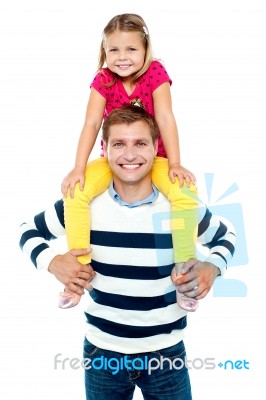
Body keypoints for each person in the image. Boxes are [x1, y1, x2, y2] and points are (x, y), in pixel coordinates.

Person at [19, 105, 236, 400]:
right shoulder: (81, 205)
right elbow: (26, 230)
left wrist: (212, 267)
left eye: (140, 143)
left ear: (156, 148)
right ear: (104, 149)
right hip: (101, 355)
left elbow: (227, 237)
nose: (130, 155)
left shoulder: (181, 206)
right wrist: (53, 262)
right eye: (119, 144)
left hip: (167, 357)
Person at [60, 13, 199, 311]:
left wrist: (174, 163)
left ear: (146, 50)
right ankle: (78, 273)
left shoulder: (156, 74)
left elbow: (165, 117)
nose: (122, 58)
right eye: (114, 50)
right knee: (75, 192)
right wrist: (78, 168)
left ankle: (184, 274)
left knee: (184, 192)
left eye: (131, 49)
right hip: (113, 162)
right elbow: (91, 122)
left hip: (153, 160)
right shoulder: (103, 79)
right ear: (104, 52)